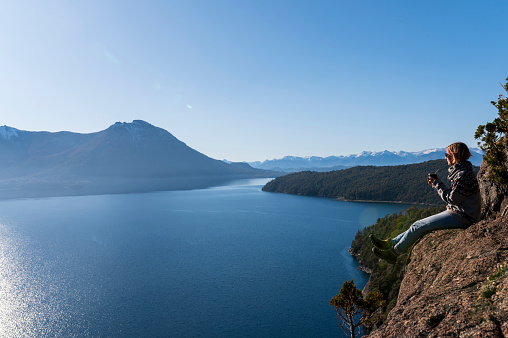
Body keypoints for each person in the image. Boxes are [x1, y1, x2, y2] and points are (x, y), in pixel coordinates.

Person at [370, 142, 481, 264]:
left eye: (447, 154)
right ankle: (390, 244)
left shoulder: (463, 174)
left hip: (463, 217)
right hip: (460, 212)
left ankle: (393, 253)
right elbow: (460, 197)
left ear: (454, 155)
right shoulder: (462, 171)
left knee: (419, 225)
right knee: (416, 225)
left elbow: (453, 198)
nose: (445, 157)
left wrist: (437, 184)